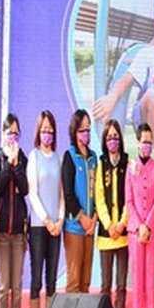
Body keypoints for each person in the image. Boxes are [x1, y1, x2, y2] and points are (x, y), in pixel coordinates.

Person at [92, 8, 154, 153]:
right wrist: (112, 97)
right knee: (153, 97)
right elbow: (126, 79)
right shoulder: (146, 54)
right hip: (145, 108)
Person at [26, 110, 64, 308]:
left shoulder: (57, 158)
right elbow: (33, 194)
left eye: (50, 130)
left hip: (55, 228)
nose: (47, 134)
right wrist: (47, 220)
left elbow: (61, 194)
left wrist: (59, 220)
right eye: (44, 130)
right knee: (36, 280)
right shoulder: (34, 157)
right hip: (39, 227)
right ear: (38, 132)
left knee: (51, 281)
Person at [0, 113, 29, 308]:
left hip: (19, 231)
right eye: (9, 133)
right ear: (3, 134)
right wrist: (8, 165)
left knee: (17, 285)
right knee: (4, 285)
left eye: (16, 133)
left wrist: (17, 165)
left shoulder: (23, 158)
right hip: (2, 231)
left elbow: (25, 189)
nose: (13, 137)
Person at [126, 123, 154, 308]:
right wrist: (139, 225)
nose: (147, 145)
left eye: (150, 141)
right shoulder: (131, 168)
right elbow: (129, 200)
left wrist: (148, 225)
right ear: (138, 142)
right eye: (144, 141)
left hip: (152, 232)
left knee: (150, 284)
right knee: (137, 284)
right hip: (135, 232)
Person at [95, 119, 130, 308]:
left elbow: (130, 196)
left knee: (121, 284)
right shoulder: (101, 164)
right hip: (106, 234)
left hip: (123, 233)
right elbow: (99, 198)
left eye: (116, 137)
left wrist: (122, 223)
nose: (113, 141)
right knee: (106, 284)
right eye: (109, 137)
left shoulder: (127, 163)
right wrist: (109, 224)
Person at [62, 109, 98, 294]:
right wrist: (82, 218)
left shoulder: (93, 158)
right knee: (74, 281)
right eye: (82, 129)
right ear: (74, 131)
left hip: (91, 227)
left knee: (85, 282)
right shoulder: (70, 156)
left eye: (88, 129)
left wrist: (94, 219)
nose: (86, 133)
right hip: (74, 227)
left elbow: (98, 191)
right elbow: (68, 194)